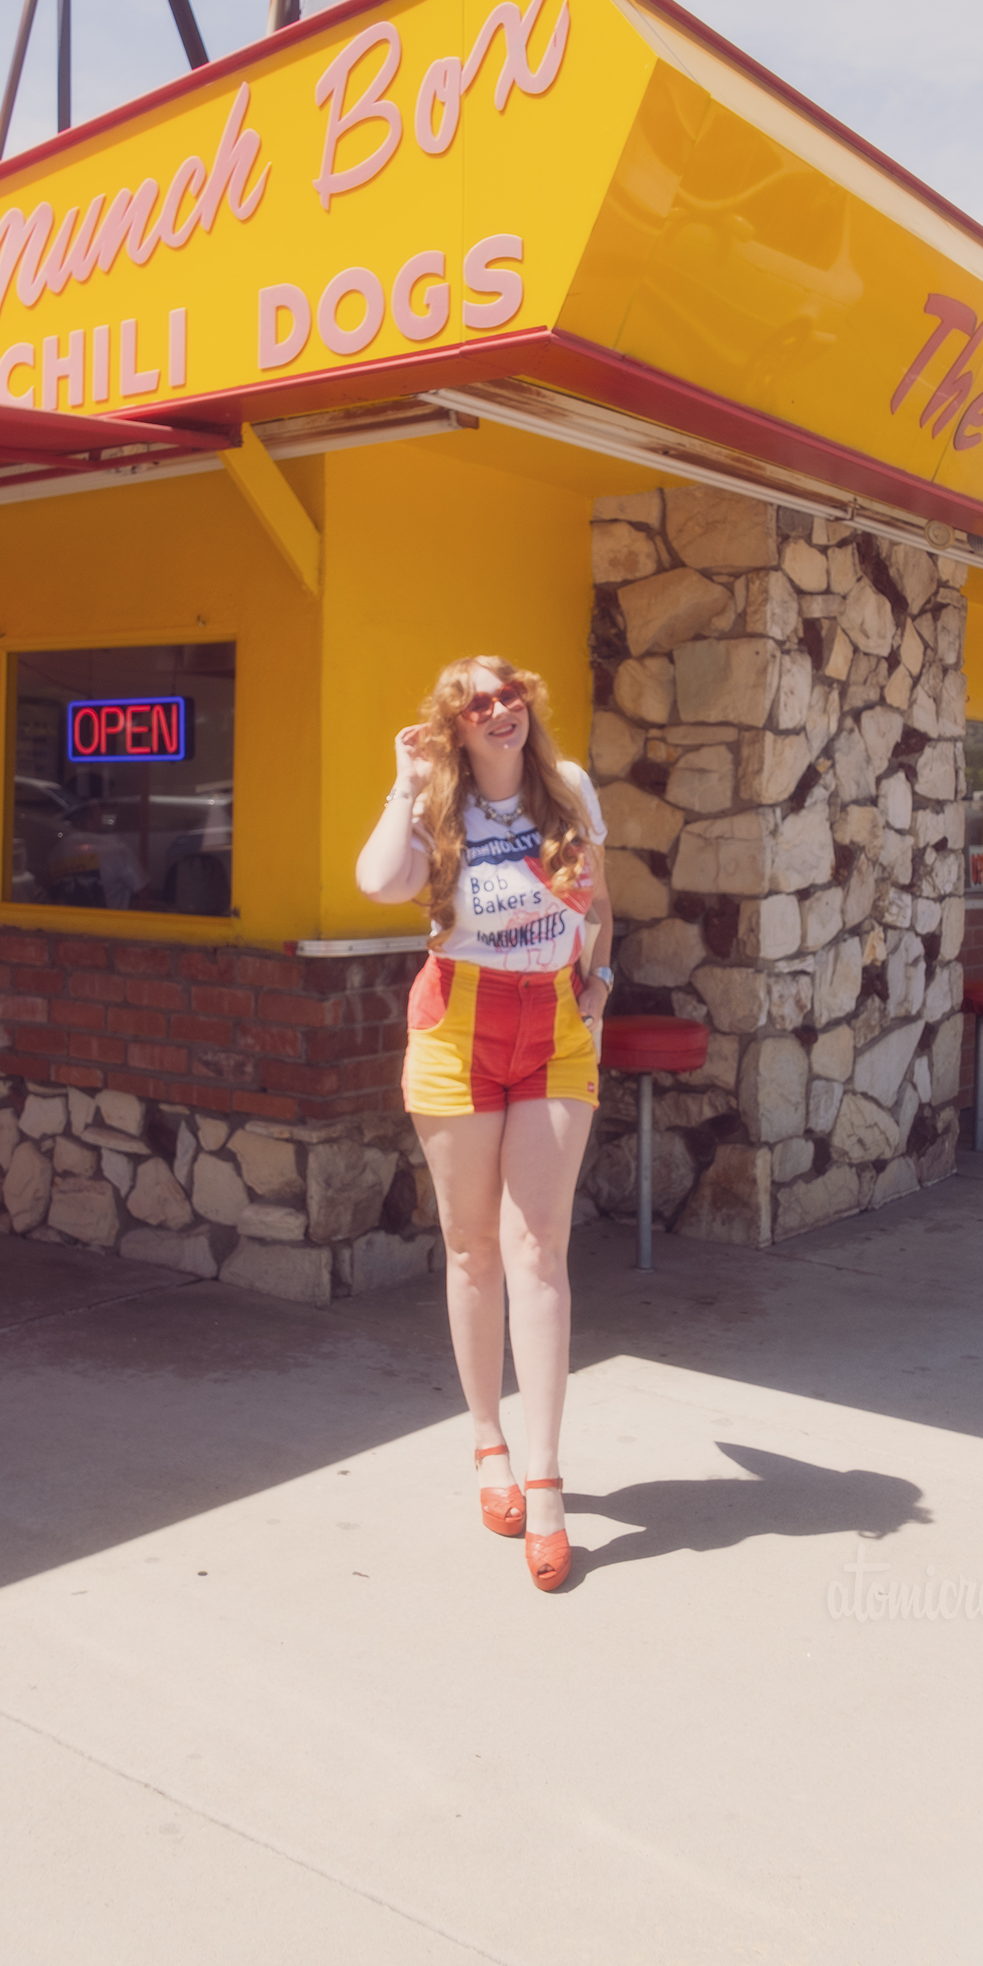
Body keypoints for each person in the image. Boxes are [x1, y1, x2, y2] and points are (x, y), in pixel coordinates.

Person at [356, 655, 612, 1593]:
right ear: (455, 726)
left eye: (509, 696)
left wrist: (600, 990)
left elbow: (603, 904)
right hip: (456, 1031)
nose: (500, 711)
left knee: (540, 1248)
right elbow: (380, 883)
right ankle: (486, 1445)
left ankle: (543, 1482)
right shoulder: (436, 806)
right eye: (477, 705)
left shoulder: (569, 787)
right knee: (473, 1251)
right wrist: (404, 782)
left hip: (554, 1027)